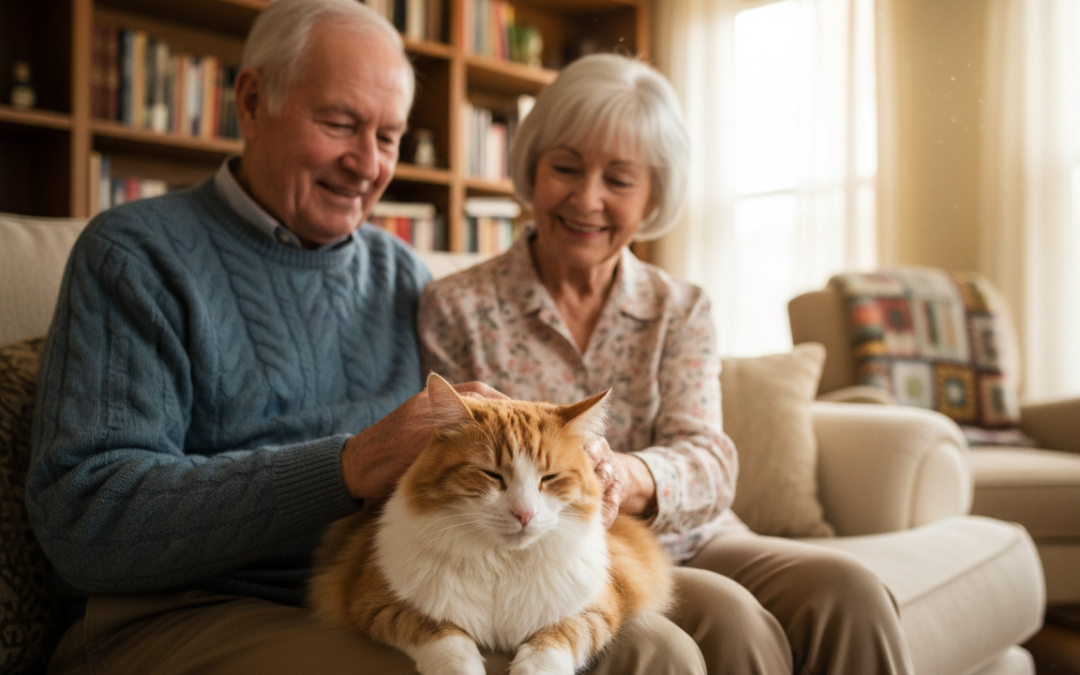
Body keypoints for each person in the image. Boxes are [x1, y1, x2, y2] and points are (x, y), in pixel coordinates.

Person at [25, 2, 703, 674]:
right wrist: (348, 465)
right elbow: (84, 517)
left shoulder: (400, 274)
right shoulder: (135, 256)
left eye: (389, 136)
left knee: (659, 651)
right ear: (253, 101)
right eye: (340, 123)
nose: (367, 164)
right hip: (186, 604)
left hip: (378, 588)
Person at [418, 53, 915, 675]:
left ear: (653, 195)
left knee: (850, 590)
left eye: (619, 181)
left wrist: (625, 475)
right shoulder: (457, 306)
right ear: (532, 167)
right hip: (568, 557)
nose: (587, 199)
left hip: (701, 534)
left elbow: (709, 457)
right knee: (732, 620)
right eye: (565, 168)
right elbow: (441, 464)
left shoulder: (679, 308)